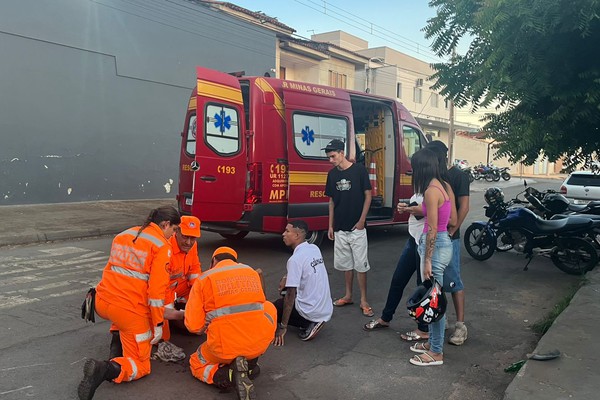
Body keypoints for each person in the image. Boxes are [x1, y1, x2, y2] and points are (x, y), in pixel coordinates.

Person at [77, 206, 181, 400]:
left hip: (101, 302)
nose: (174, 235)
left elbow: (111, 269)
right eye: (174, 230)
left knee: (124, 325)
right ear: (165, 224)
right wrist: (158, 324)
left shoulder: (124, 234)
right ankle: (104, 369)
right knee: (141, 365)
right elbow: (156, 293)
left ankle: (115, 351)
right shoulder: (161, 246)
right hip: (128, 311)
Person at [185, 247, 276, 400]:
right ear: (235, 260)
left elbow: (193, 326)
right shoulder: (250, 272)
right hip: (258, 345)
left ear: (213, 261)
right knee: (268, 306)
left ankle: (229, 376)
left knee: (197, 361)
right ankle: (250, 365)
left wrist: (206, 324)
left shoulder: (204, 278)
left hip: (224, 348)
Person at [408, 148, 456, 366]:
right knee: (435, 299)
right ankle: (433, 344)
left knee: (433, 303)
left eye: (414, 168)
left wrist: (427, 260)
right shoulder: (444, 185)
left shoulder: (430, 190)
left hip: (435, 248)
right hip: (444, 243)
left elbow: (433, 229)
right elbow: (452, 219)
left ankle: (436, 352)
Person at [363, 193, 430, 341]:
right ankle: (386, 317)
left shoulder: (434, 186)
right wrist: (406, 207)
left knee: (422, 287)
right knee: (398, 279)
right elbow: (418, 207)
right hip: (413, 238)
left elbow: (431, 211)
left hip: (424, 241)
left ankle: (424, 328)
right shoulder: (420, 187)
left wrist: (410, 209)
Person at [323, 139, 374, 317]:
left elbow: (368, 195)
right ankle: (349, 295)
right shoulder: (332, 175)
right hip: (340, 227)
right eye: (329, 158)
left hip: (357, 227)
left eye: (333, 156)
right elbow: (331, 200)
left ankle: (364, 299)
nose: (331, 160)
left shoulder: (359, 170)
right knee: (346, 264)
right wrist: (330, 225)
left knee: (361, 264)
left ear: (341, 153)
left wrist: (362, 220)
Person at [426, 140, 470, 346]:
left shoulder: (458, 176)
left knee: (454, 282)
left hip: (449, 238)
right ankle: (438, 325)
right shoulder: (436, 178)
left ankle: (460, 326)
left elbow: (464, 207)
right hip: (436, 238)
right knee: (437, 285)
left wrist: (453, 229)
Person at [273, 220, 333, 346]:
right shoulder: (314, 248)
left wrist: (283, 327)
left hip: (312, 310)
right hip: (325, 307)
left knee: (273, 309)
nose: (283, 234)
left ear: (297, 235)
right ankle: (312, 318)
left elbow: (290, 294)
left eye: (287, 231)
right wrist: (286, 276)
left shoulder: (294, 259)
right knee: (285, 291)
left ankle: (308, 322)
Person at [162, 215, 202, 342]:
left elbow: (194, 270)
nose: (188, 242)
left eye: (193, 238)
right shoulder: (165, 249)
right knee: (163, 334)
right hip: (164, 292)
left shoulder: (192, 246)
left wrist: (199, 295)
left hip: (180, 289)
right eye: (185, 237)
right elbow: (162, 285)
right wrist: (171, 313)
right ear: (176, 232)